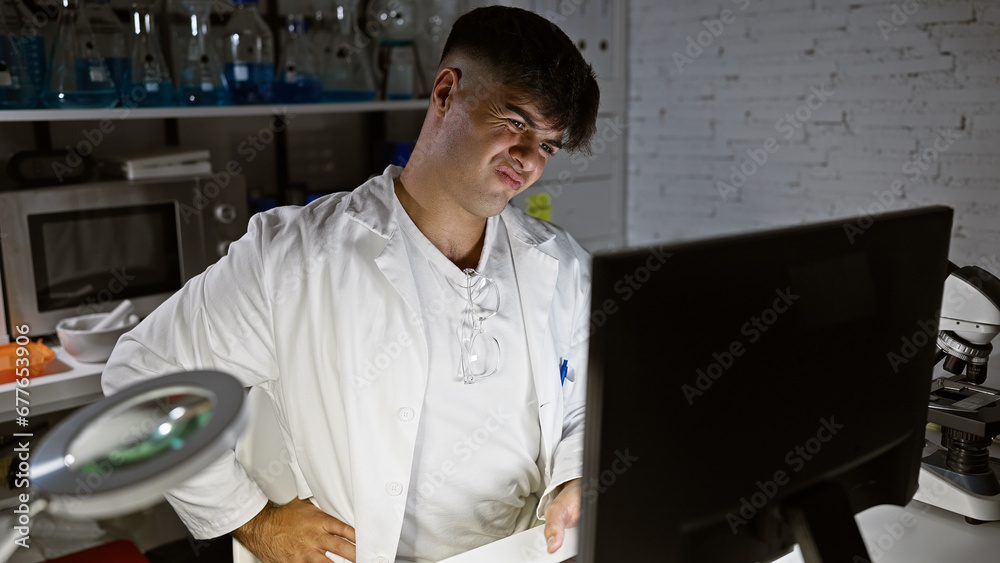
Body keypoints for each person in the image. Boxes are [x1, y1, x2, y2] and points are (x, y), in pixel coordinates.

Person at [102, 6, 600, 563]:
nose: (530, 160)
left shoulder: (560, 264)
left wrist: (575, 476)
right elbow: (141, 376)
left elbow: (586, 402)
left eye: (549, 145)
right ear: (445, 93)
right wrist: (249, 519)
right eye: (516, 123)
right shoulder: (293, 257)